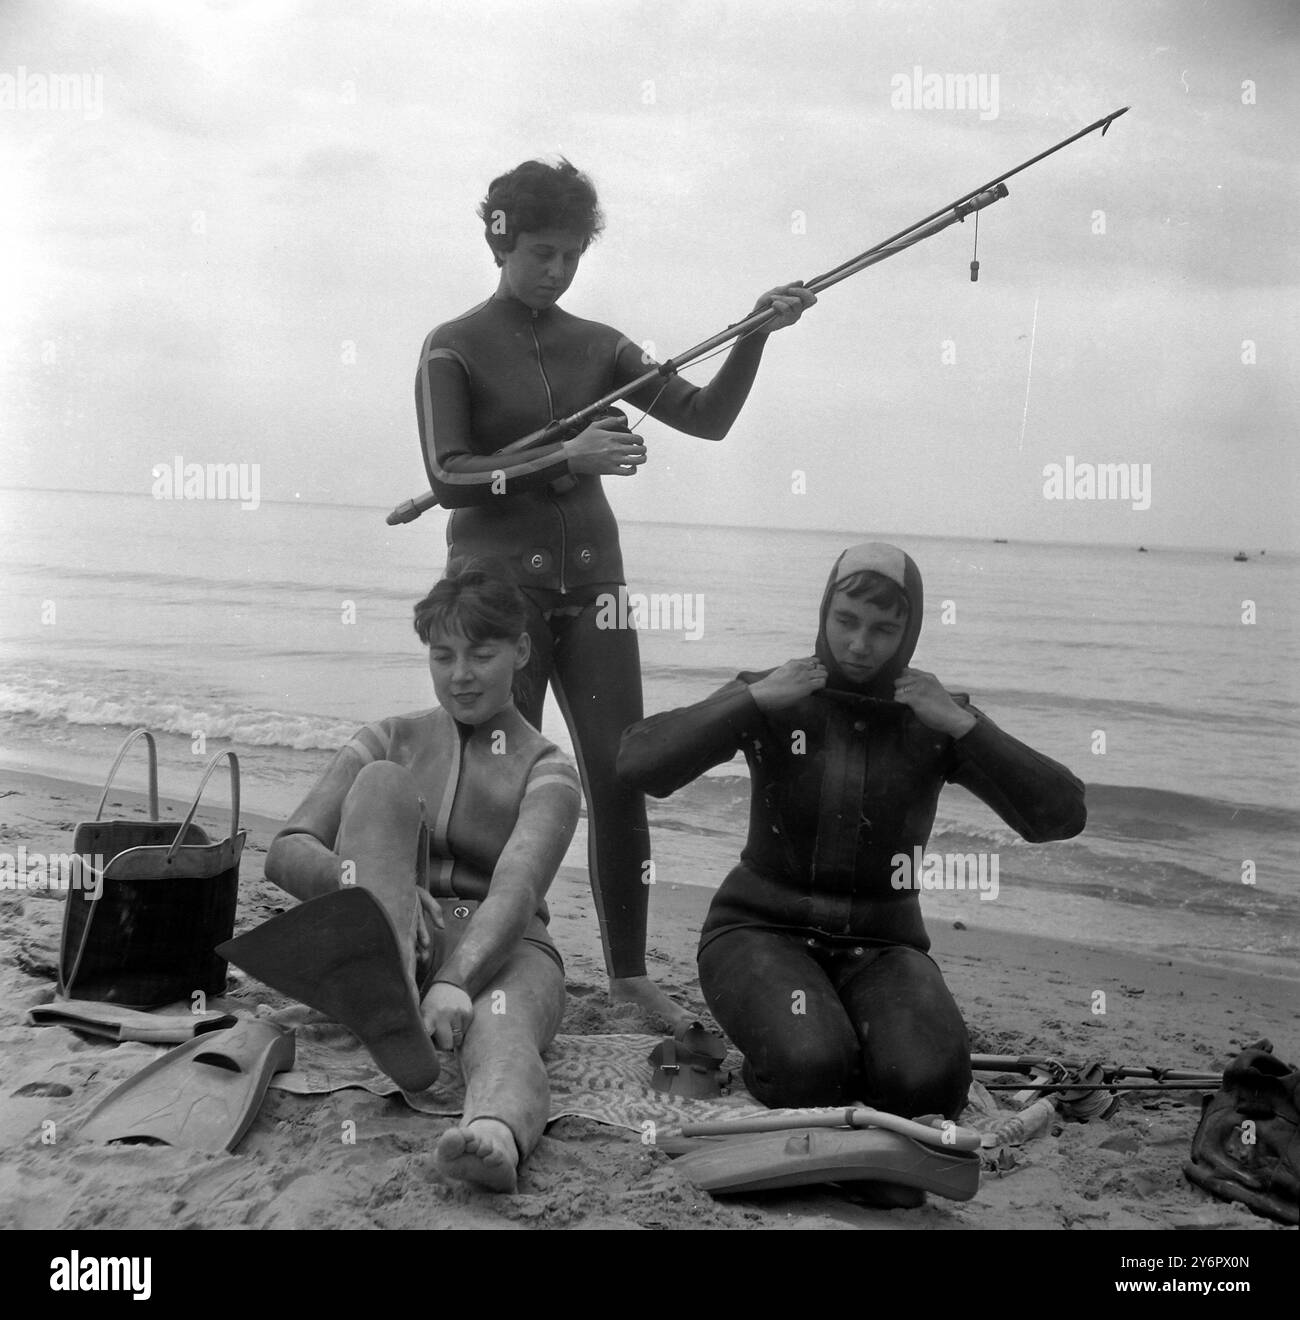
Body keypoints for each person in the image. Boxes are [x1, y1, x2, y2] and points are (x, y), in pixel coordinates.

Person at [415, 157, 815, 1028]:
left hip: (593, 588)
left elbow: (707, 417)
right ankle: (482, 953)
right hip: (494, 597)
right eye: (541, 253)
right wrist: (569, 457)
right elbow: (448, 477)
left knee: (621, 773)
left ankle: (629, 974)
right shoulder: (452, 345)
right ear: (500, 239)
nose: (556, 272)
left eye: (570, 257)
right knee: (492, 779)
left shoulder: (601, 345)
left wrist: (753, 333)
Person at [617, 542, 1087, 1119]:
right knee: (812, 1068)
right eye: (846, 621)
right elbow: (638, 765)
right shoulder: (775, 693)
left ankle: (835, 1042)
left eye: (885, 629)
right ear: (824, 613)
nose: (860, 645)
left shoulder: (935, 718)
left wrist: (966, 727)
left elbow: (1061, 816)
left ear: (909, 633)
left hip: (884, 946)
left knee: (930, 1084)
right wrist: (751, 700)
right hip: (759, 931)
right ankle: (758, 1056)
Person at [264, 559, 580, 1192]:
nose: (460, 676)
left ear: (520, 651)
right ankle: (393, 983)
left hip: (503, 945)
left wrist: (458, 981)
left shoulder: (548, 769)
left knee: (504, 1027)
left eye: (480, 654)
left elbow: (516, 890)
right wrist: (380, 887)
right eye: (442, 656)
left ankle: (492, 1133)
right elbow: (286, 850)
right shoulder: (388, 737)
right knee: (382, 786)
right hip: (387, 932)